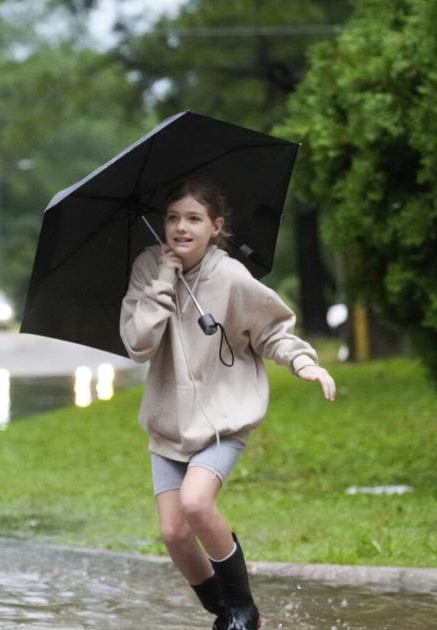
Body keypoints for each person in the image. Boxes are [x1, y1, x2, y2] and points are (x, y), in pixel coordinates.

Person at [119, 179, 336, 630]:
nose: (181, 227)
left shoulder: (231, 277)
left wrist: (304, 363)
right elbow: (137, 344)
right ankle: (225, 616)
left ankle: (243, 609)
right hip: (169, 424)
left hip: (223, 418)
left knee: (197, 505)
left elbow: (272, 331)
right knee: (175, 534)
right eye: (173, 217)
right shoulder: (147, 267)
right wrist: (164, 279)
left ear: (216, 227)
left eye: (194, 218)